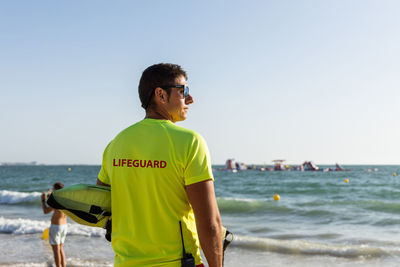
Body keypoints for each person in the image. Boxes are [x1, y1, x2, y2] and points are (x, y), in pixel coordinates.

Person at [97, 63, 223, 267]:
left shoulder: (116, 144)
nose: (190, 99)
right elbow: (210, 223)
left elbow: (100, 204)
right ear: (161, 94)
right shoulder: (191, 141)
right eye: (183, 91)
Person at [41, 182, 68, 267]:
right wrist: (50, 196)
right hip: (64, 226)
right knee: (60, 249)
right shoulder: (65, 199)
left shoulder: (56, 200)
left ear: (56, 190)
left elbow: (46, 211)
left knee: (56, 251)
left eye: (53, 189)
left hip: (56, 227)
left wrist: (43, 200)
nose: (52, 190)